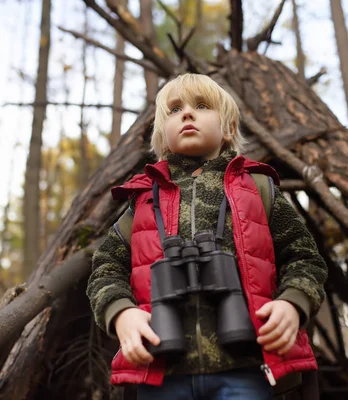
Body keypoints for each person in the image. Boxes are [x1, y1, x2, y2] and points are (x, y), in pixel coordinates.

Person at [87, 73, 327, 400]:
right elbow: (105, 267)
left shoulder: (257, 189)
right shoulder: (143, 201)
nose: (187, 113)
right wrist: (121, 313)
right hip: (162, 370)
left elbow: (304, 258)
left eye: (201, 106)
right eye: (174, 110)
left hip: (246, 365)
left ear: (228, 129)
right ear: (162, 137)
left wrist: (292, 304)